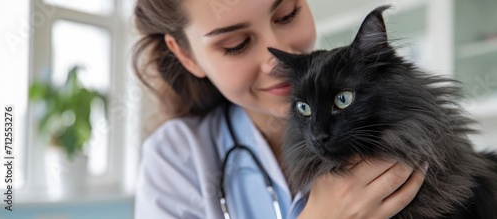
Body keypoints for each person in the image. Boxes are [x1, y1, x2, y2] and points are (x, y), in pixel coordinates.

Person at [132, 0, 428, 218]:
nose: (277, 59)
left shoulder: (396, 117)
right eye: (236, 44)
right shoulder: (173, 159)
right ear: (186, 55)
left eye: (288, 14)